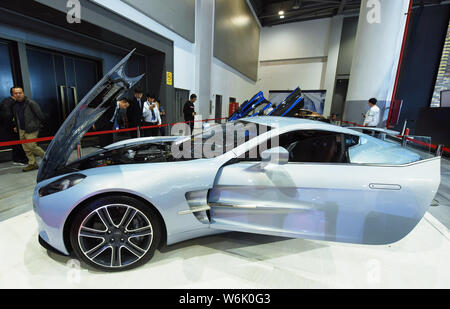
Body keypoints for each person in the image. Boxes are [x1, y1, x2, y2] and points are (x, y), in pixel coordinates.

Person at [10, 87, 46, 172]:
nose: (18, 95)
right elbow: (16, 117)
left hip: (31, 129)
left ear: (23, 93)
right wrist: (16, 125)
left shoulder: (30, 103)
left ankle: (48, 158)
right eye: (16, 93)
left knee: (32, 146)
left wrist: (38, 125)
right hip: (21, 129)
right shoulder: (14, 105)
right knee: (26, 148)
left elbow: (40, 115)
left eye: (20, 92)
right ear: (13, 95)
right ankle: (32, 163)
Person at [0, 93, 27, 165]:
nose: (19, 95)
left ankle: (17, 159)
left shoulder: (7, 101)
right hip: (12, 126)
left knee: (15, 143)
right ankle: (21, 159)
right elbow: (8, 115)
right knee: (18, 142)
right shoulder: (9, 102)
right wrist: (14, 125)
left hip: (8, 126)